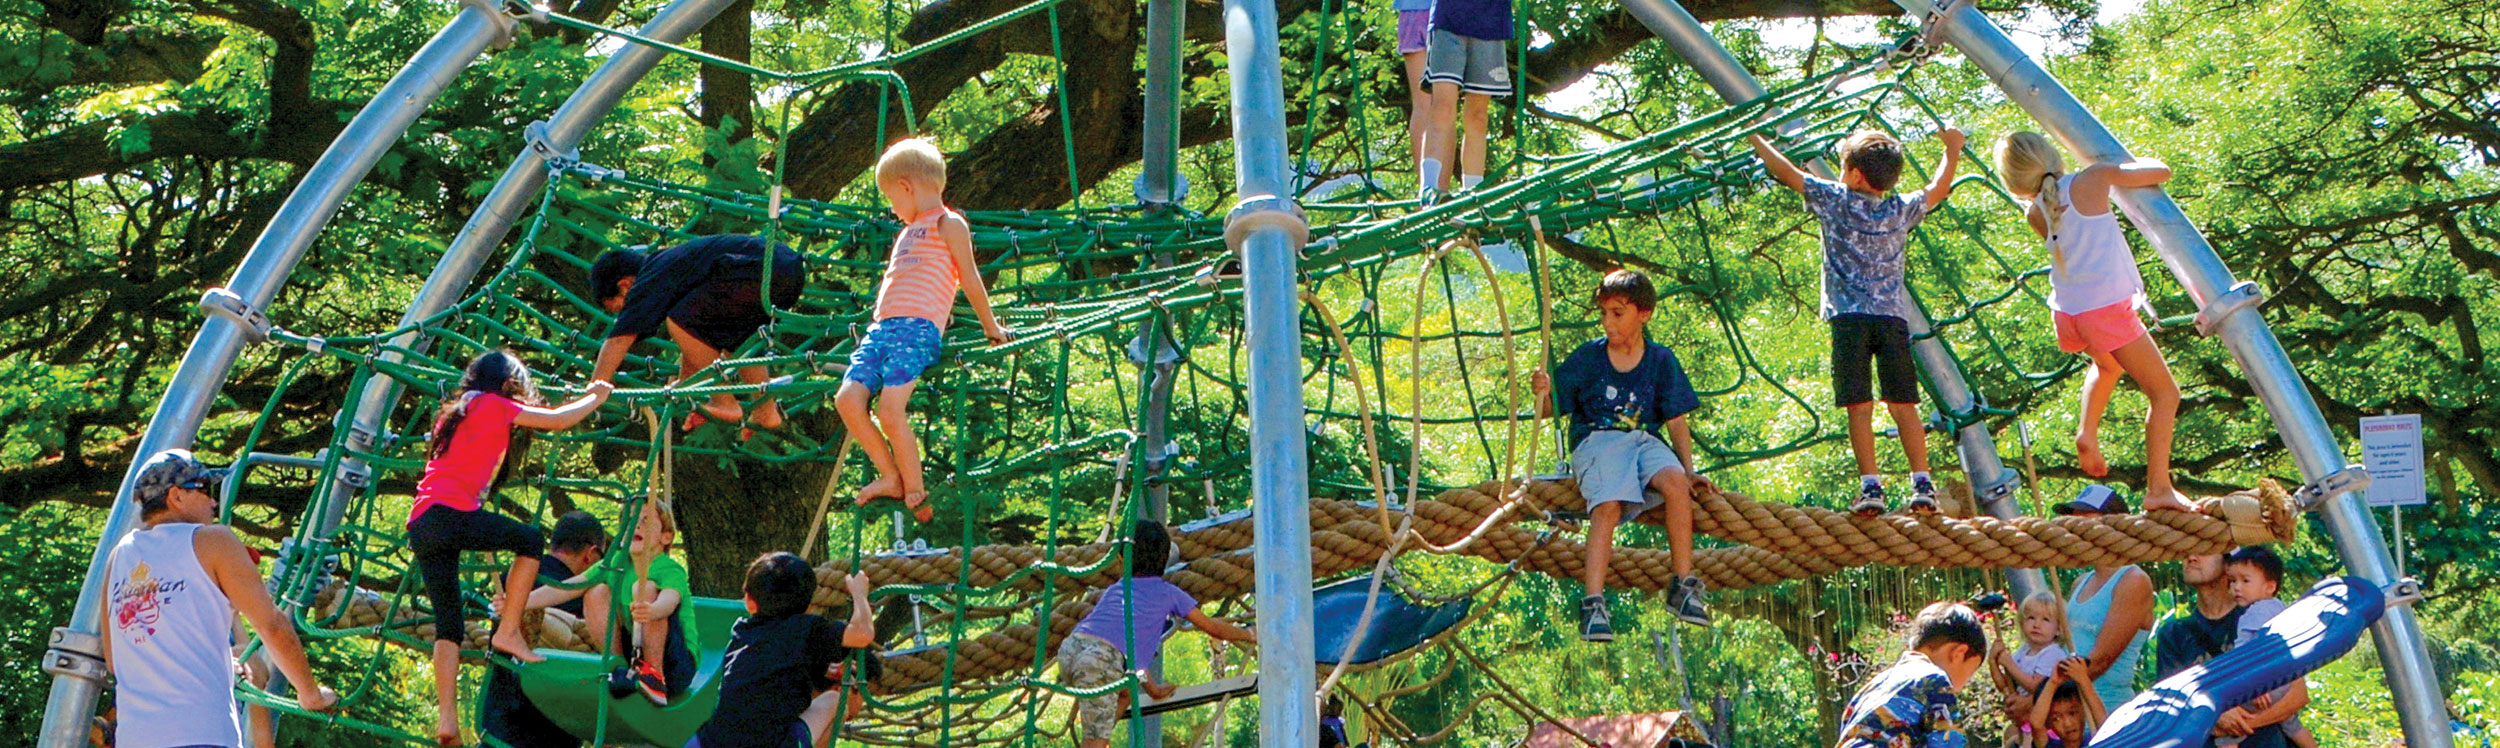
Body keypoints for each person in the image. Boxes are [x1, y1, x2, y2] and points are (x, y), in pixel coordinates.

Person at [1748, 127, 1965, 515]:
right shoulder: (1900, 208)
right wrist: (1952, 148)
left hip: (1850, 321)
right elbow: (1938, 188)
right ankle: (1922, 482)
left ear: (1854, 174)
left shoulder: (1835, 200)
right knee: (1904, 405)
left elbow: (1786, 173)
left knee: (1859, 406)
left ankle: (1871, 486)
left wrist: (1757, 141)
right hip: (1891, 319)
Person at [407, 350, 610, 745]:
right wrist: (596, 396)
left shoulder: (455, 411)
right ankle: (510, 630)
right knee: (531, 540)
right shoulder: (493, 404)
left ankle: (447, 719)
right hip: (451, 513)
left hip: (423, 521)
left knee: (448, 624)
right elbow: (557, 420)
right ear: (507, 384)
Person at [1993, 132, 2192, 513]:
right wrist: (2109, 162)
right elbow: (2161, 171)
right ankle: (2159, 488)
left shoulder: (2035, 211)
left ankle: (2087, 431)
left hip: (2070, 311)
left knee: (2107, 364)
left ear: (2015, 182)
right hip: (2105, 310)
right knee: (2165, 395)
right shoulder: (2094, 178)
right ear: (2053, 154)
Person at [102, 449, 339, 748]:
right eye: (204, 488)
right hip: (202, 737)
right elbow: (272, 626)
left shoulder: (118, 556)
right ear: (176, 496)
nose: (213, 501)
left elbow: (114, 659)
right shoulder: (213, 540)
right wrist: (310, 694)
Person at [1528, 269, 1713, 640]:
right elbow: (1550, 409)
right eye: (1605, 314)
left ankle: (1682, 584)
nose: (1608, 322)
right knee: (1608, 505)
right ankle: (1593, 601)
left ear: (1643, 315)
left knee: (1677, 485)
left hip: (1642, 440)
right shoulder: (1589, 358)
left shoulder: (1660, 360)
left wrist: (1689, 470)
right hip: (1597, 440)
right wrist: (1541, 391)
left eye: (1618, 313)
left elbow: (1676, 420)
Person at [842, 138, 1009, 522]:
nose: (892, 208)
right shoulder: (906, 232)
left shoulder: (948, 223)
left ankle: (913, 487)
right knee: (847, 401)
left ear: (906, 187)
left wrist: (991, 326)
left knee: (889, 408)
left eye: (891, 198)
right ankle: (890, 475)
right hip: (881, 330)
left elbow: (968, 276)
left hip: (916, 330)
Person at [1057, 520, 1258, 748]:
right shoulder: (1169, 593)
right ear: (1165, 559)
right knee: (1094, 742)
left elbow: (1128, 652)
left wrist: (1152, 689)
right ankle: (1096, 739)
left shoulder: (1117, 588)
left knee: (1124, 694)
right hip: (1100, 662)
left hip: (1072, 649)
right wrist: (1249, 633)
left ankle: (1098, 733)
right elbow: (1213, 628)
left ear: (1121, 559)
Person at [587, 234, 806, 432]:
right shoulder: (675, 266)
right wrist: (684, 388)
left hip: (757, 271)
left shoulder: (650, 275)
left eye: (618, 307)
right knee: (738, 341)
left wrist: (593, 391)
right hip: (786, 272)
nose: (623, 313)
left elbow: (618, 341)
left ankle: (724, 401)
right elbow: (697, 338)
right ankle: (765, 411)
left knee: (677, 321)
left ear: (625, 285)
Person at [690, 553, 880, 748]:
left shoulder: (741, 631)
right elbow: (862, 633)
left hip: (711, 741)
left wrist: (823, 670)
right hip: (772, 744)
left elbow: (771, 669)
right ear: (808, 607)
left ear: (749, 602)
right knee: (835, 700)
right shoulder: (807, 629)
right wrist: (859, 594)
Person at [481, 512, 612, 748]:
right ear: (590, 554)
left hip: (497, 722)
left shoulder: (513, 577)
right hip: (549, 730)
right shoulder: (582, 598)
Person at [1834, 602, 1988, 748]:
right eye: (1971, 672)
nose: (1962, 687)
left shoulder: (1871, 687)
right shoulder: (1934, 679)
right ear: (1958, 654)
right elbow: (1949, 743)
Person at [2055, 487, 2154, 712]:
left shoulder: (2133, 581)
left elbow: (2098, 662)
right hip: (2068, 715)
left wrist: (2041, 694)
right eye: (2074, 522)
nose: (2077, 530)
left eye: (2087, 522)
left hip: (2106, 713)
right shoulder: (2080, 582)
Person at [2215, 546, 2313, 748]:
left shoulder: (2255, 612)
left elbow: (2245, 654)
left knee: (2225, 733)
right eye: (2233, 581)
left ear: (2269, 587)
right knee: (2293, 725)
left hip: (2262, 683)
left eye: (2245, 581)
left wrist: (2256, 686)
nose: (2237, 588)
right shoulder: (2278, 607)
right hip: (2283, 679)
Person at [1416, 0, 1510, 201]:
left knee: (1478, 117)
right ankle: (1428, 187)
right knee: (1442, 107)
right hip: (1449, 20)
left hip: (1491, 25)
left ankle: (1473, 194)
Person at [622, 495, 698, 705]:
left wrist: (653, 610)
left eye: (645, 520)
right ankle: (616, 666)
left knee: (643, 588)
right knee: (597, 591)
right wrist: (523, 599)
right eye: (629, 521)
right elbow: (571, 587)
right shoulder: (619, 564)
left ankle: (655, 678)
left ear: (666, 537)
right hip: (634, 654)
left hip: (675, 664)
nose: (635, 524)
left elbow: (670, 599)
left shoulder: (668, 568)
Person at [1990, 592, 2074, 746]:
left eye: (2046, 620)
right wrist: (1993, 661)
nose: (2037, 624)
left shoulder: (2053, 653)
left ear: (2058, 629)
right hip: (2024, 719)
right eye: (2031, 618)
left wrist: (2008, 663)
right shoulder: (2023, 651)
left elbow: (2036, 687)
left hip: (2044, 722)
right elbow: (2006, 686)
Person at [2025, 662, 2110, 748]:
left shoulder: (2095, 741)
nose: (2068, 724)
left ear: (2083, 710)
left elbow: (2104, 724)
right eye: (2056, 719)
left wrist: (2083, 680)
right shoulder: (2050, 746)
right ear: (2047, 724)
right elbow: (2036, 724)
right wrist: (2053, 682)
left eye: (2072, 713)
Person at [1392, 0, 1433, 173]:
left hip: (1452, 14)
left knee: (1440, 106)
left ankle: (1436, 186)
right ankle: (1428, 187)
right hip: (1417, 11)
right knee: (1426, 105)